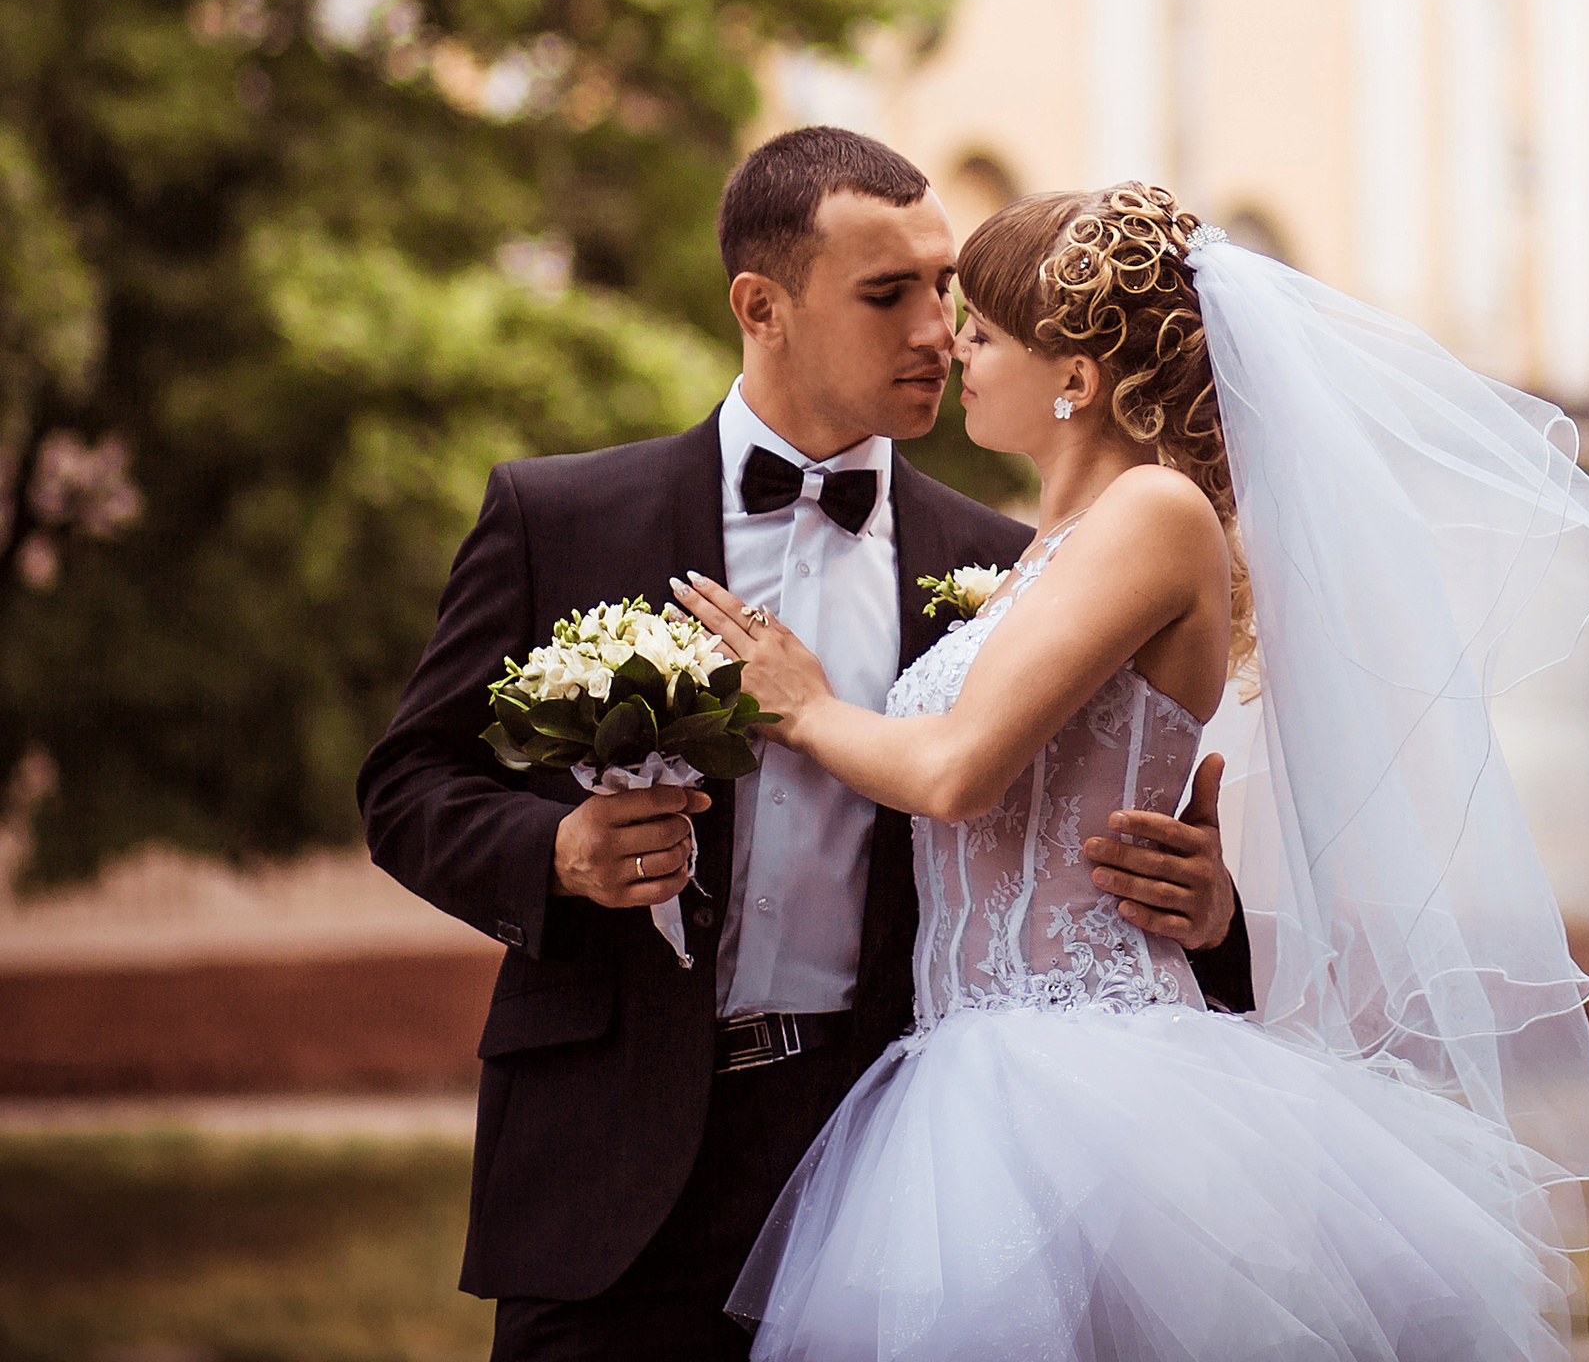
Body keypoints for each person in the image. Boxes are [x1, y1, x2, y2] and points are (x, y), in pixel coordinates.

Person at [678, 181, 1589, 1362]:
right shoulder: (1050, 551)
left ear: (1078, 379)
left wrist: (805, 707)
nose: (951, 347)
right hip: (970, 1061)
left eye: (981, 331)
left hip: (1077, 1076)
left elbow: (953, 773)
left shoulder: (1153, 512)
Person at [357, 130, 1253, 1362]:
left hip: (896, 1162)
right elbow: (409, 783)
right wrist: (559, 849)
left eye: (949, 290)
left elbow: (1063, 826)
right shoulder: (560, 516)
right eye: (892, 293)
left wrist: (1213, 912)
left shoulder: (1006, 565)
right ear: (760, 306)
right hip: (610, 1158)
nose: (938, 328)